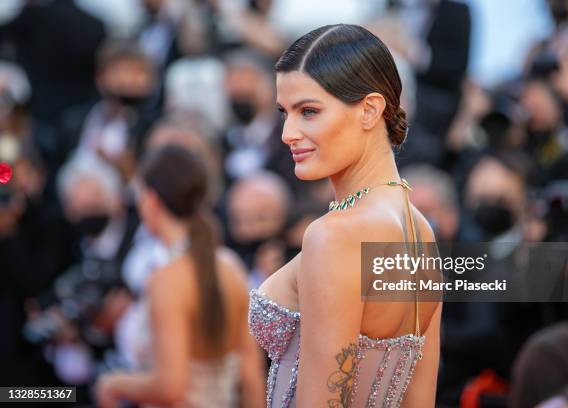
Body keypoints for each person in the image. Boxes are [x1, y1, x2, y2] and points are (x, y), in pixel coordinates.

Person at [247, 24, 441, 407]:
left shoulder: (334, 235)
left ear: (370, 110)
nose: (288, 132)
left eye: (309, 111)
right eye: (284, 112)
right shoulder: (421, 230)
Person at [96, 145, 265, 408]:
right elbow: (251, 374)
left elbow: (170, 385)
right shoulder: (230, 267)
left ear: (151, 201)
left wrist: (114, 384)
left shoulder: (166, 280)